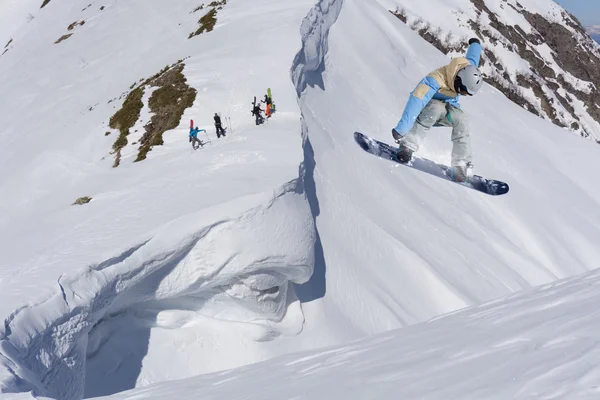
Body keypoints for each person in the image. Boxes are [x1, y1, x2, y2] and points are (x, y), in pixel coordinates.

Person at [392, 38, 483, 182]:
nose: (463, 95)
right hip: (425, 112)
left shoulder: (467, 69)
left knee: (462, 119)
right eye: (464, 91)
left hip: (446, 110)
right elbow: (416, 101)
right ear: (458, 81)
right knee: (436, 107)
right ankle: (407, 146)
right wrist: (401, 129)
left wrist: (476, 44)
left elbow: (473, 58)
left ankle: (460, 165)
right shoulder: (434, 80)